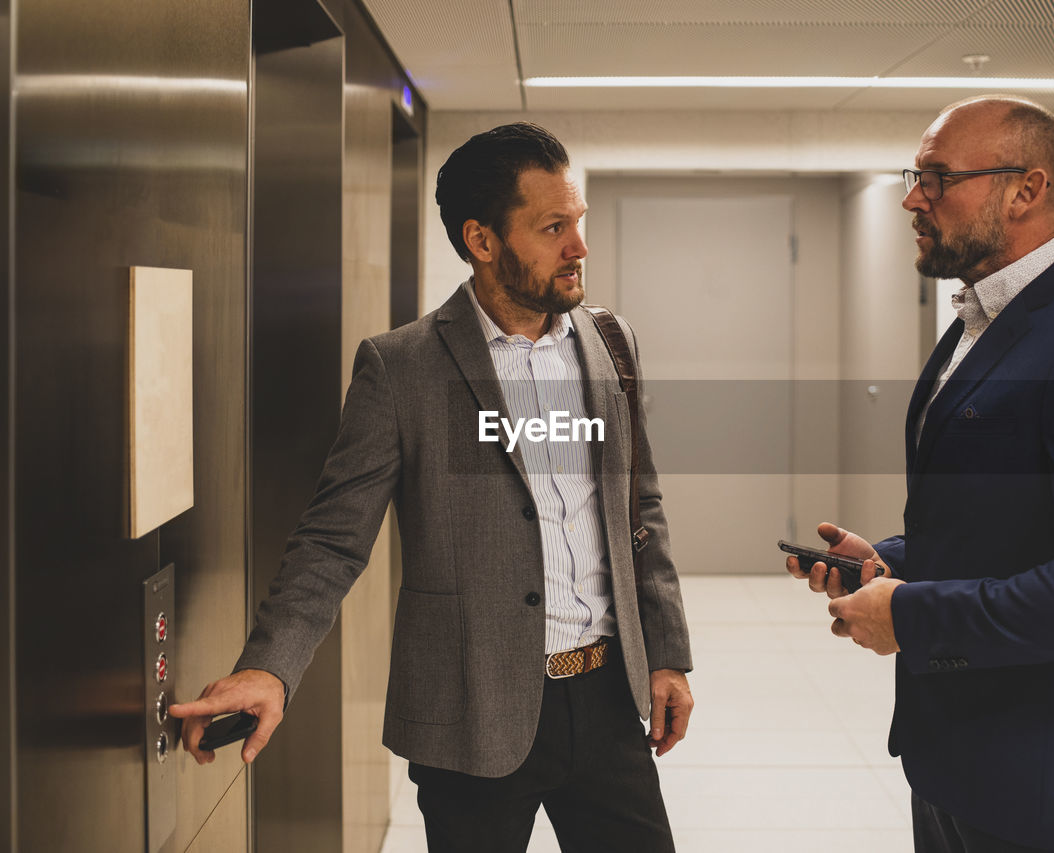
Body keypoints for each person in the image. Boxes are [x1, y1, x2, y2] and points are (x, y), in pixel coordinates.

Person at [172, 122, 694, 853]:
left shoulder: (611, 343)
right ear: (482, 241)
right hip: (470, 709)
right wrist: (270, 665)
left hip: (608, 697)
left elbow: (640, 507)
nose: (578, 247)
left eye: (576, 222)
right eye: (552, 228)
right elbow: (332, 538)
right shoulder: (402, 368)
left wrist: (667, 651)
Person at [786, 95, 1054, 853]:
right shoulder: (983, 323)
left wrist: (909, 615)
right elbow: (1003, 525)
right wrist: (888, 563)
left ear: (1027, 190)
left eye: (938, 178)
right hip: (957, 755)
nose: (914, 197)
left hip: (1045, 776)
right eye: (917, 176)